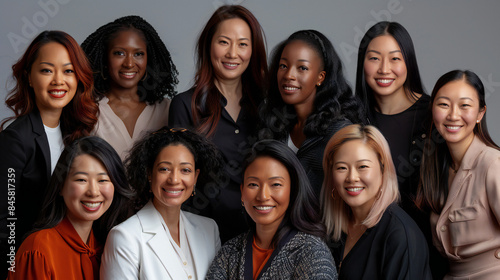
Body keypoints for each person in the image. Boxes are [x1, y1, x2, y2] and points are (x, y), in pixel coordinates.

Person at [0, 30, 98, 277]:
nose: (58, 81)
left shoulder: (78, 134)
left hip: (69, 256)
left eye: (68, 71)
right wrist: (12, 269)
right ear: (29, 78)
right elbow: (5, 220)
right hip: (32, 264)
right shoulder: (16, 139)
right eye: (46, 70)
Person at [168, 5, 268, 242]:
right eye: (224, 42)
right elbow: (179, 180)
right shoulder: (185, 105)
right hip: (202, 237)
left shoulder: (267, 107)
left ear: (253, 51)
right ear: (208, 45)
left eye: (243, 44)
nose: (233, 53)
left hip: (261, 236)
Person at [100, 127, 223, 280]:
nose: (174, 180)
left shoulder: (209, 229)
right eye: (164, 169)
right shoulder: (124, 237)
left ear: (195, 177)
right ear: (149, 173)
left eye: (185, 170)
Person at [207, 139, 337, 280]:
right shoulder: (230, 251)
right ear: (242, 192)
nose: (263, 196)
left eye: (275, 184)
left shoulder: (311, 252)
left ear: (293, 191)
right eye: (253, 184)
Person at [7, 136, 133, 280]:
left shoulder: (107, 249)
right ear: (60, 186)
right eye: (81, 180)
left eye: (103, 180)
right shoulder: (38, 249)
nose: (93, 192)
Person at [417, 70, 500, 279]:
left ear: (480, 114)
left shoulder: (492, 163)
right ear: (432, 109)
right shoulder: (435, 167)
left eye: (465, 106)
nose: (453, 115)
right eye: (444, 104)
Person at [259, 29, 363, 197]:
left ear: (320, 77)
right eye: (283, 66)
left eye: (302, 68)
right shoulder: (275, 124)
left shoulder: (341, 133)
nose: (289, 75)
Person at [321, 124, 431, 279]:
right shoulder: (331, 228)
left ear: (383, 169)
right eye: (341, 168)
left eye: (363, 166)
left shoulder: (400, 236)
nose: (352, 177)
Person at [81, 15, 178, 160]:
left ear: (148, 59)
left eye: (138, 54)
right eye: (119, 53)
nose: (129, 63)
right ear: (105, 59)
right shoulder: (87, 109)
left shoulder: (168, 110)